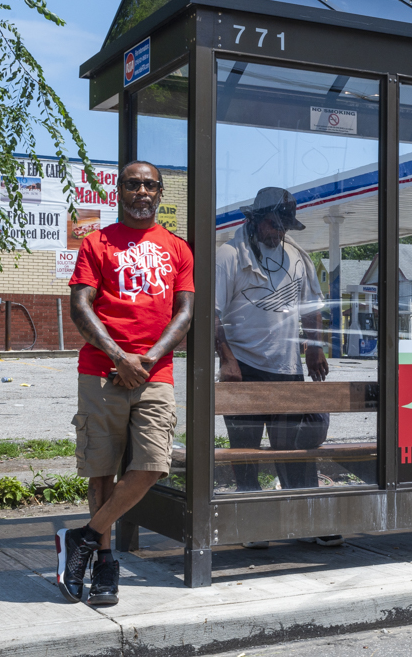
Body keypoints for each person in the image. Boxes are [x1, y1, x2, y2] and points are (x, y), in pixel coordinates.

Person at [55, 161, 194, 606]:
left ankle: (84, 537)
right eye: (132, 184)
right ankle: (105, 564)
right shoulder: (97, 242)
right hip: (101, 370)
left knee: (153, 464)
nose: (141, 192)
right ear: (120, 191)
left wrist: (147, 360)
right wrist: (119, 356)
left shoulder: (178, 248)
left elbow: (184, 313)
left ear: (160, 193)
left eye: (149, 186)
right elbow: (81, 306)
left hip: (156, 373)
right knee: (102, 470)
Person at [215, 186, 341, 548]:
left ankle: (306, 519)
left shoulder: (297, 256)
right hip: (244, 368)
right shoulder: (228, 255)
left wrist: (315, 349)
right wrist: (226, 358)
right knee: (247, 451)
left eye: (285, 226)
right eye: (273, 224)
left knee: (296, 452)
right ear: (252, 220)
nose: (278, 232)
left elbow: (313, 305)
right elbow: (212, 312)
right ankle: (254, 524)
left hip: (286, 368)